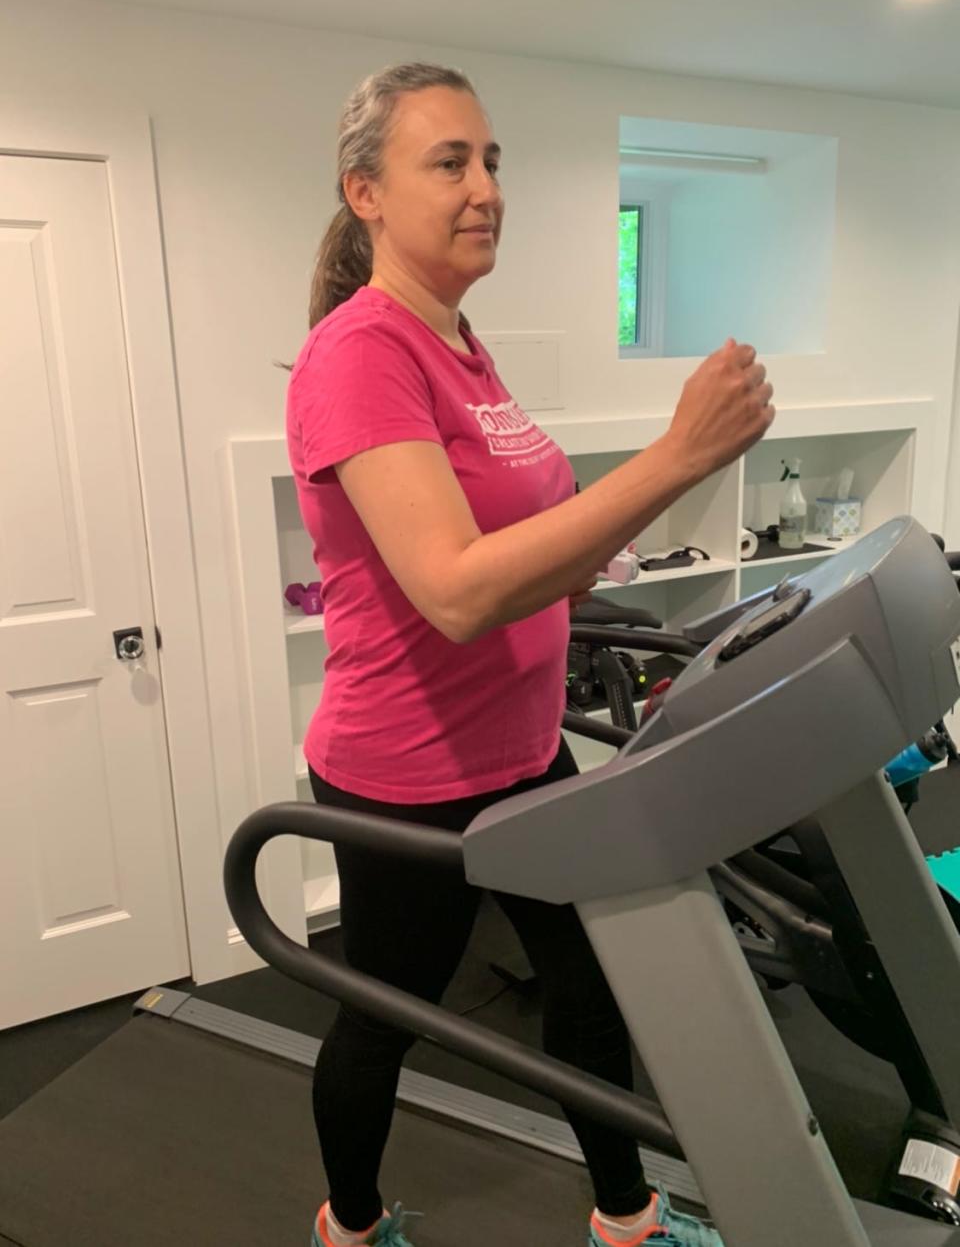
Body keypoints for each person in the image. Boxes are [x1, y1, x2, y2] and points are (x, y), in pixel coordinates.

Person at [286, 61, 775, 1247]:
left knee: (588, 984)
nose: (484, 186)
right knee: (386, 1018)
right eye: (448, 161)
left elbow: (532, 541)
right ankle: (348, 1229)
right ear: (366, 193)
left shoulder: (460, 345)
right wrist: (678, 458)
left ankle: (626, 1216)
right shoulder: (364, 355)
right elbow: (456, 593)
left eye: (491, 160)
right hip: (408, 777)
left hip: (518, 752)